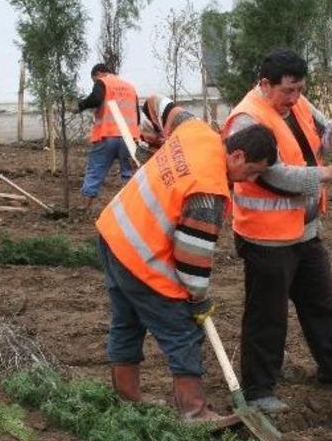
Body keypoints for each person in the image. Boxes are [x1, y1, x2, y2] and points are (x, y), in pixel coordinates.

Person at [95, 102, 277, 426]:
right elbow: (191, 261)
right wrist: (199, 299)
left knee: (126, 321)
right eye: (252, 171)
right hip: (140, 256)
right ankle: (194, 412)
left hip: (113, 232)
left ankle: (126, 398)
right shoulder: (209, 191)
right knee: (182, 330)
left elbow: (157, 103)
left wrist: (152, 138)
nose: (250, 180)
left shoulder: (197, 130)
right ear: (236, 156)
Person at [221, 49, 332, 414]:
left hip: (304, 231)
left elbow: (325, 142)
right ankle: (259, 391)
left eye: (299, 90)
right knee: (267, 316)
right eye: (287, 91)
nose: (294, 99)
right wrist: (329, 174)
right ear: (265, 84)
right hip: (265, 237)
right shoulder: (246, 120)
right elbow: (276, 175)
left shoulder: (299, 104)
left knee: (321, 304)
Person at [77, 64, 141, 210]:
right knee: (128, 173)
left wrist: (79, 106)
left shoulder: (103, 82)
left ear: (99, 73)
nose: (94, 83)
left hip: (107, 135)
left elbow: (96, 98)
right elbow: (136, 114)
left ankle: (84, 206)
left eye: (94, 80)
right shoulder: (130, 87)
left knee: (95, 168)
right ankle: (133, 207)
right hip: (128, 138)